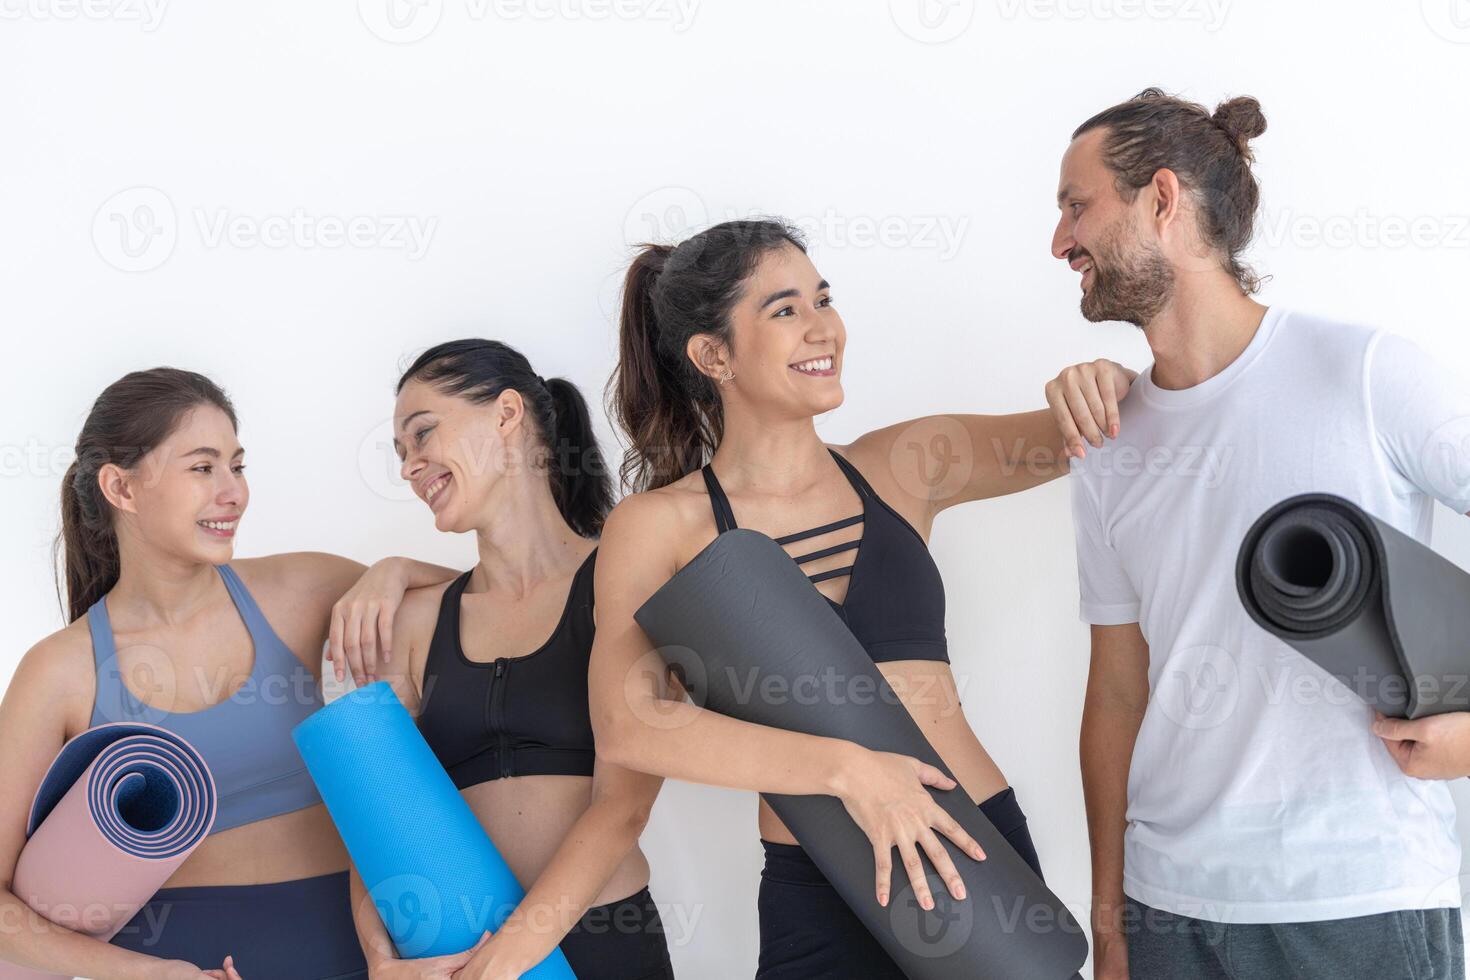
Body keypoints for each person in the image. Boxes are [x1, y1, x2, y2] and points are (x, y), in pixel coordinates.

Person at [588, 218, 1133, 978]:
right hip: (820, 879)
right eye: (785, 311)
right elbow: (631, 729)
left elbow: (1113, 427)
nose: (824, 329)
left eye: (823, 299)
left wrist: (1097, 382)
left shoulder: (905, 465)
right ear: (713, 355)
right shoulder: (658, 526)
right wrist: (849, 770)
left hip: (973, 853)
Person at [1048, 88, 1468, 980]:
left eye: (1076, 206)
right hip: (1171, 914)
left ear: (1161, 200)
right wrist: (1112, 920)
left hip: (1358, 902)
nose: (1059, 242)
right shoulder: (1105, 439)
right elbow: (1118, 691)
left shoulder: (1365, 373)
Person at [0, 368, 452, 979]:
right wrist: (147, 974)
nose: (233, 493)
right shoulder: (58, 672)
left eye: (237, 467)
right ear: (121, 488)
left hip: (371, 962)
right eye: (202, 467)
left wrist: (395, 571)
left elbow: (488, 612)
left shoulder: (307, 592)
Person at [337, 340, 674, 980]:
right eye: (401, 452)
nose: (411, 466)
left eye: (423, 434)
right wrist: (381, 959)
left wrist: (510, 957)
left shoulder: (620, 581)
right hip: (452, 955)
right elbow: (379, 809)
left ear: (507, 413)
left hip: (599, 942)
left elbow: (624, 806)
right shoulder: (414, 621)